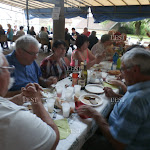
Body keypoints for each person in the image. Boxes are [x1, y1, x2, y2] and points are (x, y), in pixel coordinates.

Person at [78, 47, 150, 150]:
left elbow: (118, 143)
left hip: (119, 144)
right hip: (121, 130)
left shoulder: (137, 100)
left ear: (135, 70)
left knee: (83, 140)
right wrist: (115, 96)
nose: (121, 74)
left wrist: (96, 115)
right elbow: (132, 107)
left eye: (123, 69)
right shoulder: (142, 88)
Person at [0, 51, 59, 150]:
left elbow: (3, 102)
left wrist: (22, 97)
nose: (36, 56)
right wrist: (36, 101)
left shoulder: (32, 63)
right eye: (8, 69)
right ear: (20, 51)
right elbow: (53, 139)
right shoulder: (13, 117)